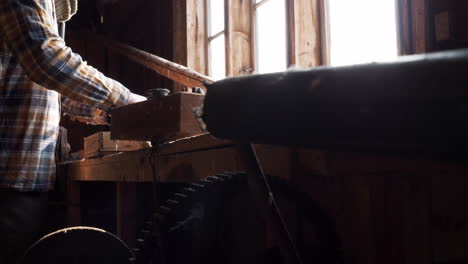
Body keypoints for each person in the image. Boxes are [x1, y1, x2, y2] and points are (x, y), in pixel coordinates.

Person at [0, 0, 146, 262]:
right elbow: (46, 58)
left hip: (24, 174)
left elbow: (53, 88)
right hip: (8, 175)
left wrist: (115, 112)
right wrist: (127, 100)